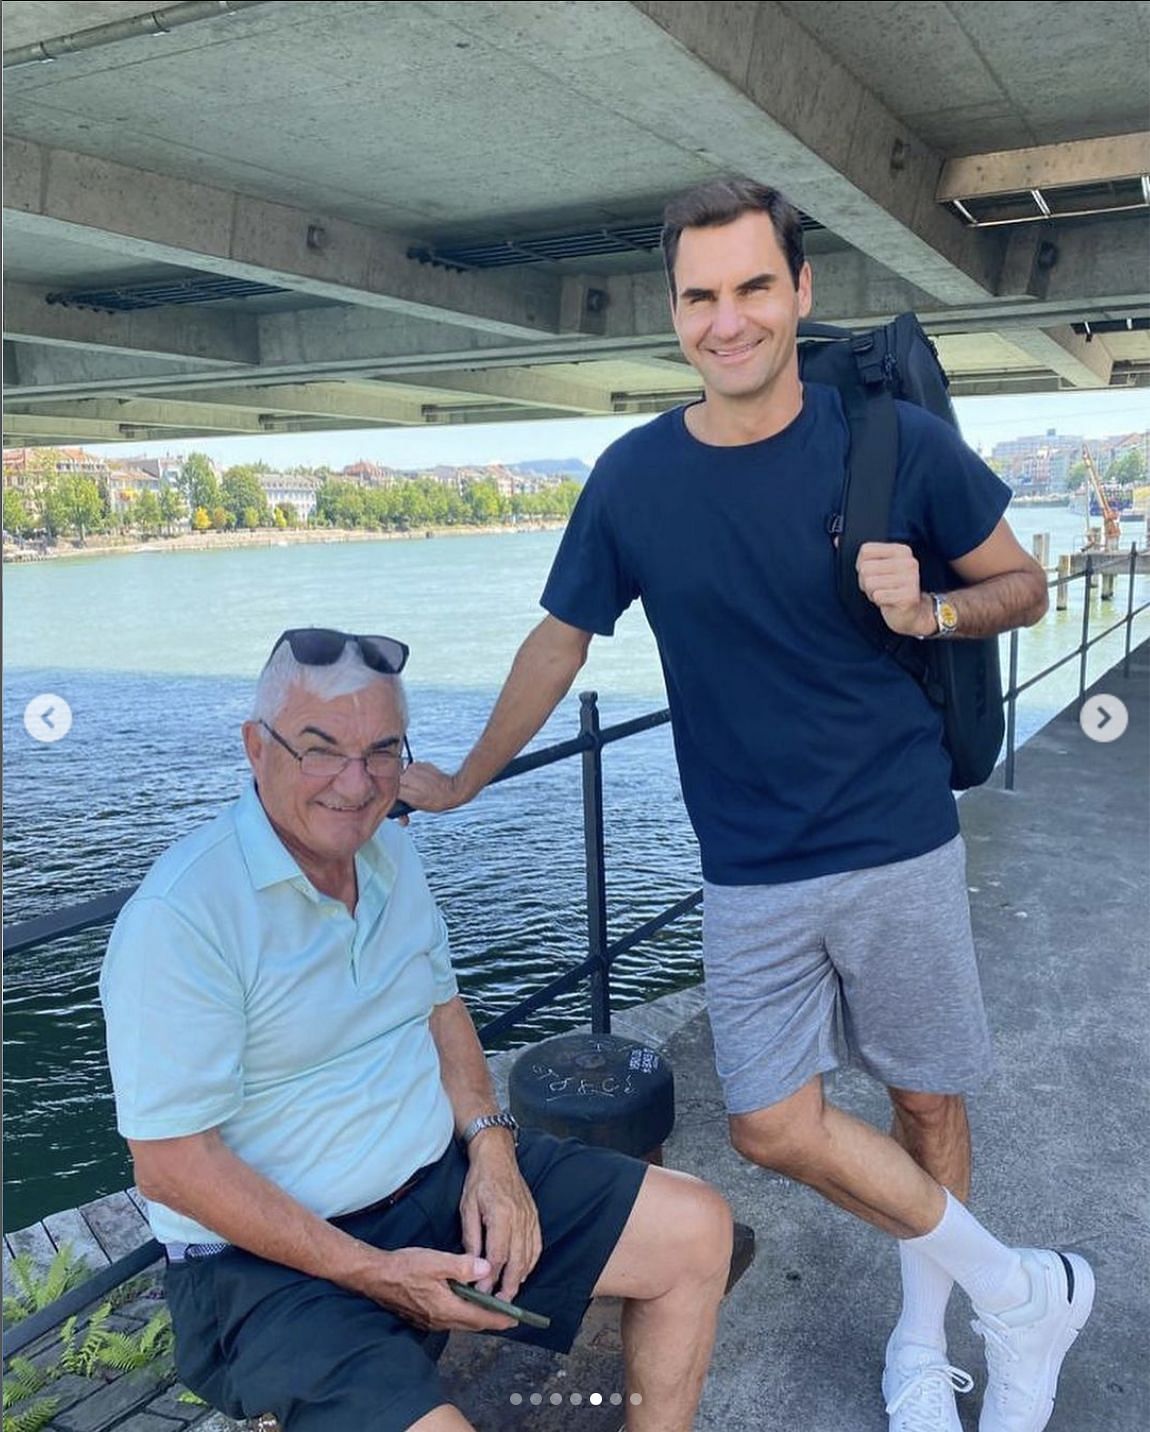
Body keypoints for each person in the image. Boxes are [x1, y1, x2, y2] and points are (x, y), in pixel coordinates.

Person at [399, 180, 1094, 1432]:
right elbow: (559, 643)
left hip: (893, 838)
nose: (729, 321)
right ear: (675, 312)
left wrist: (929, 606)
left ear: (800, 292)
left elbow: (1025, 587)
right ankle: (1021, 1290)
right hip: (748, 864)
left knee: (927, 1100)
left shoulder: (891, 444)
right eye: (702, 296)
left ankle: (924, 1344)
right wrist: (460, 778)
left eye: (753, 287)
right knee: (773, 1125)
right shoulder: (633, 478)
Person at [99, 628, 733, 1432]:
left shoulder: (389, 857)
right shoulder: (181, 917)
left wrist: (494, 1155)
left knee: (697, 1231)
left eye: (383, 751)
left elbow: (444, 1011)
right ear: (256, 748)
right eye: (321, 750)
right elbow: (172, 1167)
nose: (358, 784)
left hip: (434, 1182)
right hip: (262, 1270)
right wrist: (373, 1271)